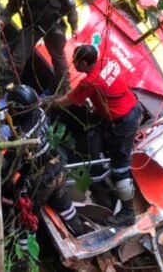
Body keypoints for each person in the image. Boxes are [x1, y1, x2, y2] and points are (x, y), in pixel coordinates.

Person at [50, 45, 143, 226]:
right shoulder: (107, 60)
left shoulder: (90, 83)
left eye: (76, 63)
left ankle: (127, 212)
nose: (74, 65)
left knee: (120, 168)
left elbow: (65, 102)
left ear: (84, 63)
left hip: (123, 122)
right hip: (130, 107)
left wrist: (47, 103)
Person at [3, 85, 87, 236]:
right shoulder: (39, 113)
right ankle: (80, 231)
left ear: (20, 110)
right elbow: (11, 117)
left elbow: (8, 163)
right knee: (61, 199)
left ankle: (23, 253)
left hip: (40, 179)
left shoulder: (22, 140)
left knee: (26, 214)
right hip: (56, 165)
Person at [1, 0, 78, 94]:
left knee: (58, 58)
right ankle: (2, 86)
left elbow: (70, 7)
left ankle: (64, 88)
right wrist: (3, 19)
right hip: (32, 26)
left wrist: (74, 26)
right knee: (18, 58)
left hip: (53, 25)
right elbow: (13, 4)